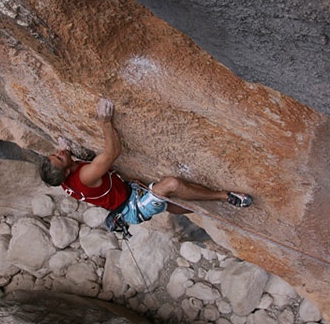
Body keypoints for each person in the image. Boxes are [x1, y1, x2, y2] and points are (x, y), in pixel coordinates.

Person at [39, 98, 252, 233]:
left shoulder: (62, 179)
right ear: (66, 171)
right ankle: (224, 196)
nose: (58, 153)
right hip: (133, 208)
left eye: (54, 154)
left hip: (126, 195)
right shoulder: (85, 176)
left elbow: (66, 161)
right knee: (171, 185)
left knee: (166, 204)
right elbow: (114, 152)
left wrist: (64, 149)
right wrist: (105, 122)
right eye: (58, 157)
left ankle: (200, 205)